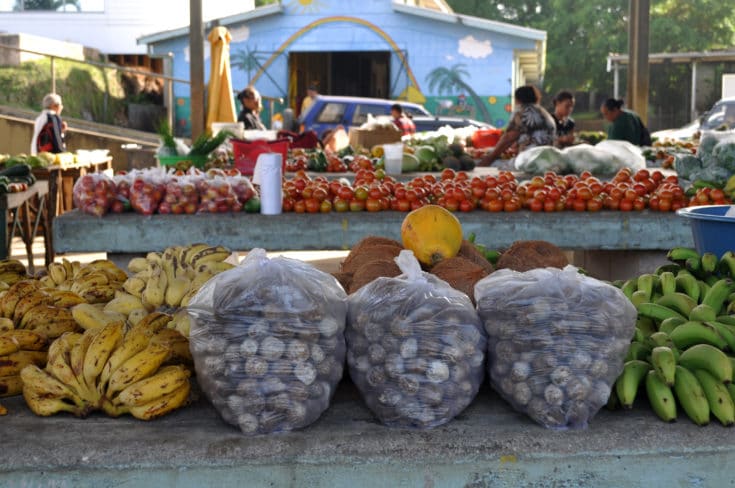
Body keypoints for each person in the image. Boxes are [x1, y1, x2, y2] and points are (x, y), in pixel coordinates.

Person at [479, 85, 556, 166]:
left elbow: (508, 138)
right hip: (547, 161)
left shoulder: (521, 111)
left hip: (530, 161)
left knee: (493, 165)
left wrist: (489, 159)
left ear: (517, 99)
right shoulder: (543, 112)